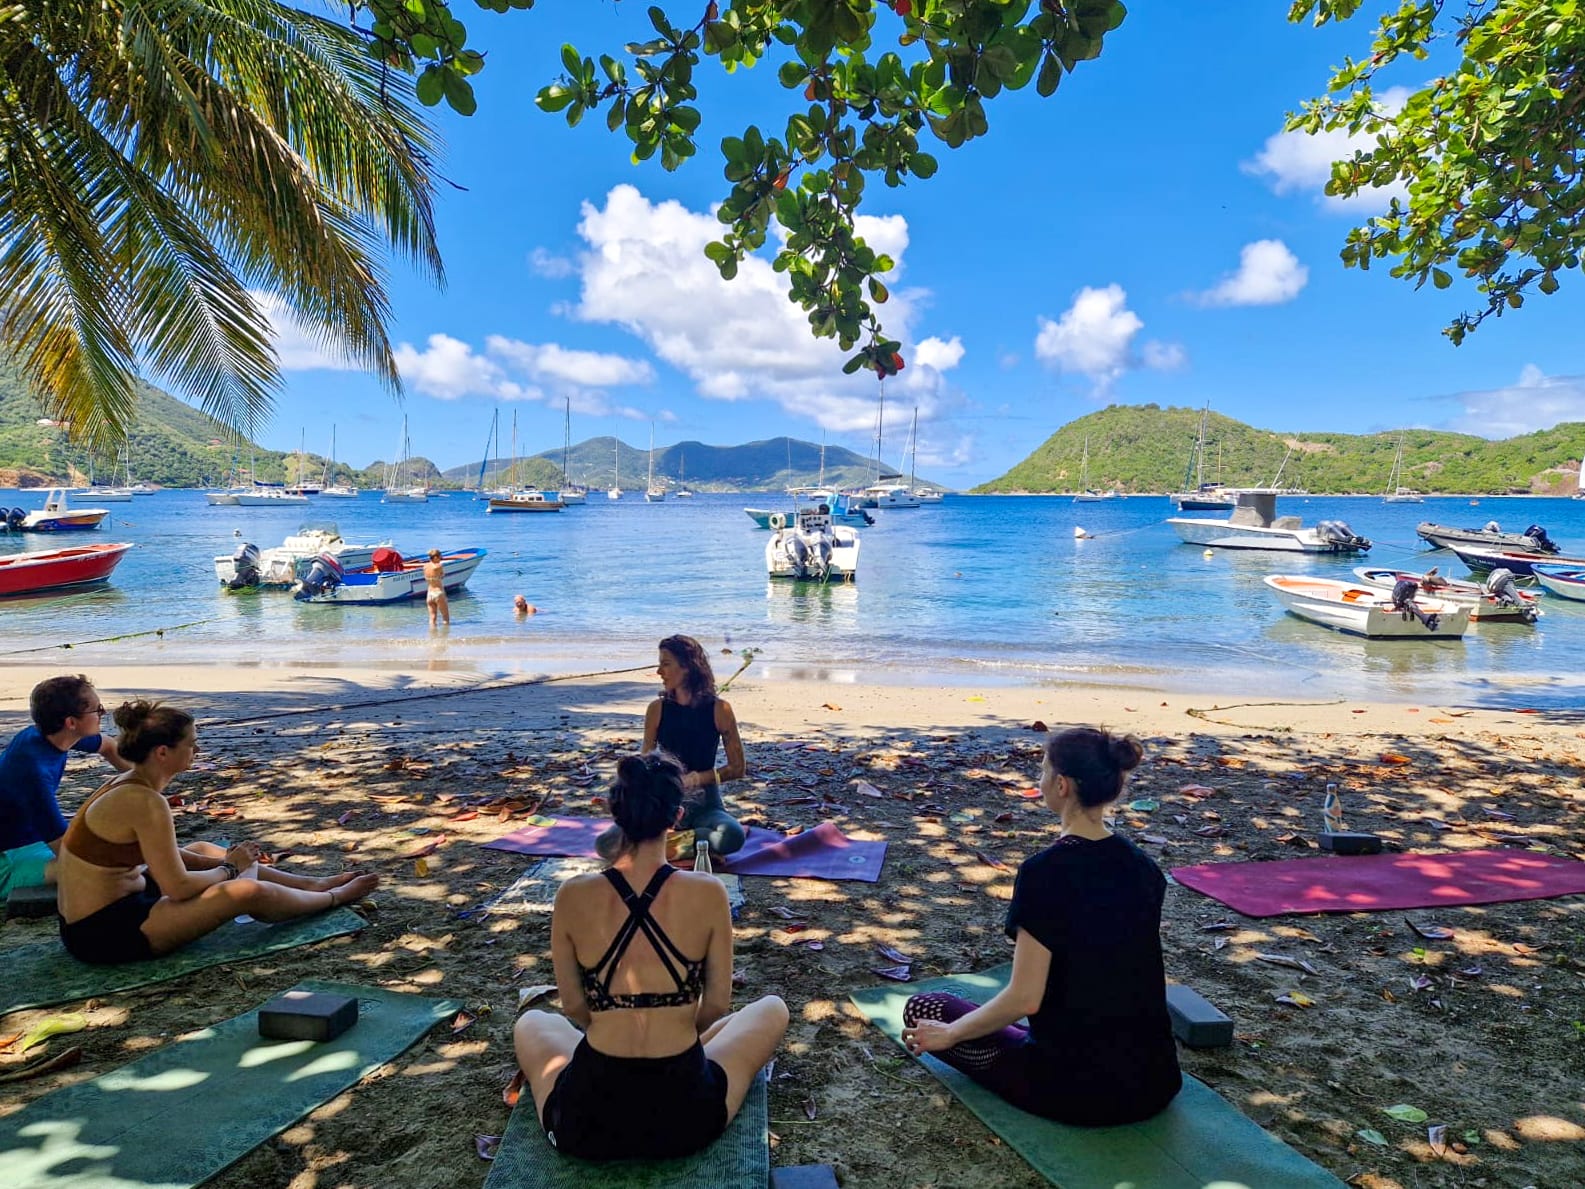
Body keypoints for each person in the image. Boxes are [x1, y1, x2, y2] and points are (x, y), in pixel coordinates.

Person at [899, 726, 1182, 1127]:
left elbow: (1025, 999)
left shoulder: (1043, 873)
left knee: (926, 1008)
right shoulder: (1144, 866)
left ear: (1062, 785)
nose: (1041, 779)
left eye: (1044, 771)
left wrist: (952, 1034)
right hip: (1156, 1080)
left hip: (1077, 1090)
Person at [513, 750, 787, 1160]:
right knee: (772, 1008)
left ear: (615, 812)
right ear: (677, 817)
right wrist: (672, 1030)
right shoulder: (708, 892)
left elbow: (573, 1007)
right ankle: (670, 1037)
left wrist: (617, 1026)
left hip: (585, 1122)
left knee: (533, 1021)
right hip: (687, 1117)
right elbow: (715, 1006)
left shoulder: (573, 894)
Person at [55, 700, 379, 965]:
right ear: (162, 752)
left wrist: (222, 864)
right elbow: (178, 887)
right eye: (191, 744)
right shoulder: (144, 800)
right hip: (105, 933)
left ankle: (312, 884)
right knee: (244, 892)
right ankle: (332, 898)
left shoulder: (126, 783)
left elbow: (156, 856)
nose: (197, 750)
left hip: (115, 904)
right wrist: (231, 869)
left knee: (204, 849)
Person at [599, 635, 748, 861]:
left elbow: (737, 768)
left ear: (688, 667)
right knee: (605, 844)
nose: (659, 671)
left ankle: (660, 846)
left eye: (666, 664)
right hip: (661, 803)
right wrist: (623, 799)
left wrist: (696, 779)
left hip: (705, 806)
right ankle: (688, 845)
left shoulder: (720, 710)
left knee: (732, 837)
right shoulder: (657, 709)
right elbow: (645, 764)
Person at [0, 675, 131, 897]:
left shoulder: (52, 734)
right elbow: (69, 852)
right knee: (110, 868)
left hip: (35, 838)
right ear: (71, 722)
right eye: (97, 710)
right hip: (8, 858)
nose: (103, 714)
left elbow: (108, 745)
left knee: (125, 852)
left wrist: (143, 786)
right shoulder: (33, 772)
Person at [424, 549, 449, 627]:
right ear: (435, 557)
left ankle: (432, 636)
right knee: (445, 617)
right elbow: (442, 575)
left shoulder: (425, 566)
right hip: (438, 593)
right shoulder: (438, 566)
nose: (441, 559)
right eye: (440, 557)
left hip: (429, 594)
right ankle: (445, 636)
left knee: (432, 618)